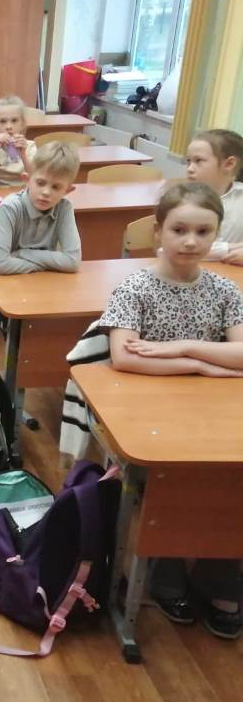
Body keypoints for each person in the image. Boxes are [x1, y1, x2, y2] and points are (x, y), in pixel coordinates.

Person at [98, 181, 243, 639]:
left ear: (216, 234)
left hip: (214, 412)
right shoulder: (134, 287)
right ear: (158, 231)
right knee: (172, 480)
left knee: (231, 481)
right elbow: (124, 357)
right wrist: (203, 365)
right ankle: (164, 573)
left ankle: (220, 576)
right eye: (179, 230)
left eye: (204, 232)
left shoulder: (225, 290)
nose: (191, 241)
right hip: (150, 414)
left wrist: (182, 348)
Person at [0, 141, 81, 274]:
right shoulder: (9, 208)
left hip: (39, 282)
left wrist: (23, 253)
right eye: (40, 183)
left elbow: (72, 261)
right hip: (2, 282)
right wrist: (47, 266)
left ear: (67, 190)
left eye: (56, 187)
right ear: (27, 179)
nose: (46, 192)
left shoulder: (64, 208)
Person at [184, 129, 243, 264]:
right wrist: (232, 248)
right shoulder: (182, 202)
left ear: (229, 164)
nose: (190, 168)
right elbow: (171, 248)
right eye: (188, 161)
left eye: (198, 161)